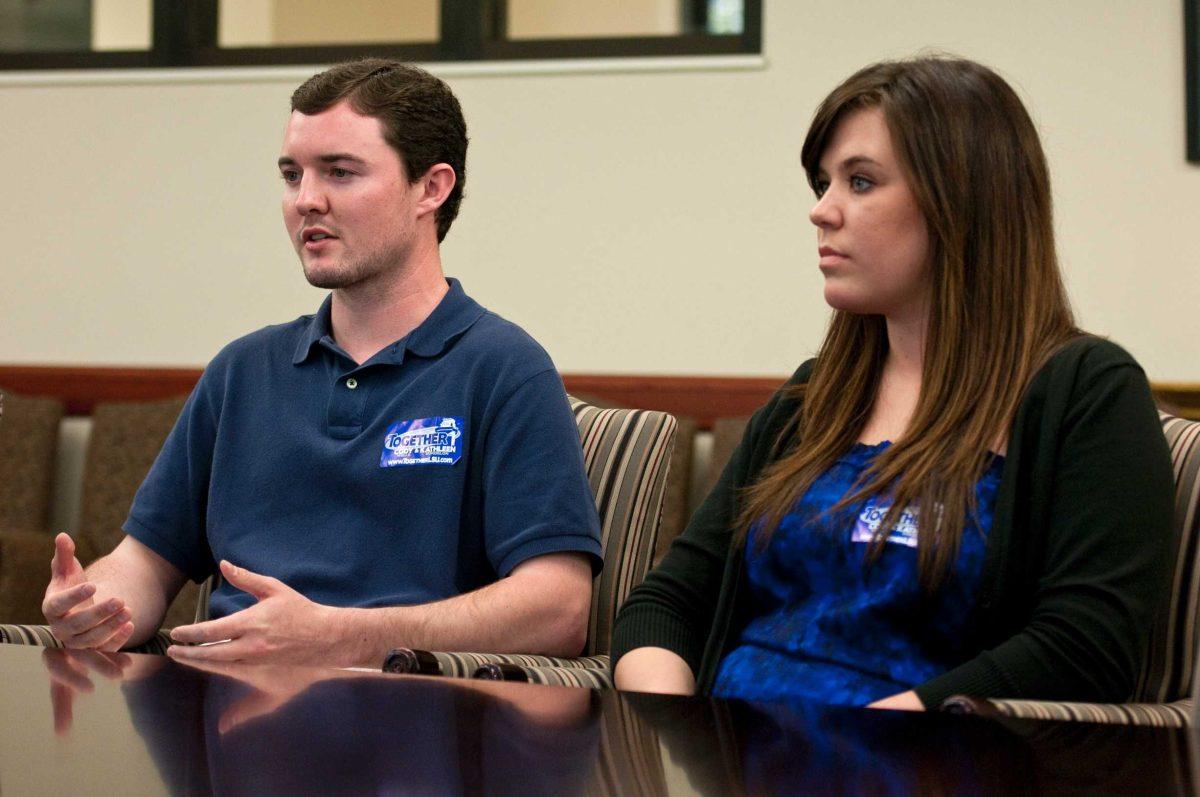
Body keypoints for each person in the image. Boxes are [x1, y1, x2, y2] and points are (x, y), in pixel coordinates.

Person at [610, 56, 1174, 710]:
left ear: (961, 199)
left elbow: (1088, 646)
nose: (822, 212)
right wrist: (672, 730)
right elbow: (669, 601)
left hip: (929, 768)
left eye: (860, 181)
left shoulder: (1086, 392)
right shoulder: (811, 397)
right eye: (824, 184)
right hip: (732, 764)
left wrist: (872, 737)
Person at [41, 59, 602, 668]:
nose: (306, 200)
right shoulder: (242, 371)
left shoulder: (504, 369)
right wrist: (96, 604)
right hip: (220, 724)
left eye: (340, 172)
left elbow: (559, 609)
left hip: (407, 721)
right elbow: (145, 563)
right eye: (292, 175)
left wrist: (340, 635)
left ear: (431, 188)